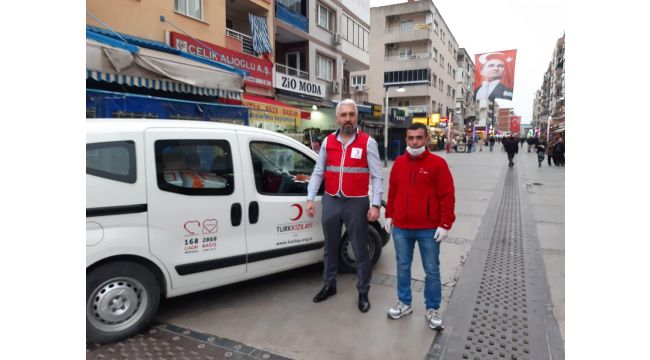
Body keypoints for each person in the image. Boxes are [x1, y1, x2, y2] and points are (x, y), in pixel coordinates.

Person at [306, 98, 383, 313]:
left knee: (359, 249)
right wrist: (310, 198)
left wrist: (375, 204)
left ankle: (363, 291)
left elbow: (377, 176)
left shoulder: (368, 142)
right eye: (343, 115)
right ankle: (329, 285)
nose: (347, 119)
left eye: (351, 114)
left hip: (356, 202)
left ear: (356, 117)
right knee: (330, 247)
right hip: (331, 199)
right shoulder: (327, 142)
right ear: (337, 118)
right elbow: (318, 172)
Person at [384, 123, 456, 330]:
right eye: (411, 138)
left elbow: (447, 195)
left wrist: (445, 224)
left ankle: (432, 308)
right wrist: (389, 214)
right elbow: (393, 191)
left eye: (418, 138)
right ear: (406, 139)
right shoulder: (398, 163)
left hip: (428, 229)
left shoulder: (438, 164)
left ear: (426, 139)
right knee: (402, 266)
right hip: (401, 228)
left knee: (432, 270)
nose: (414, 142)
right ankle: (404, 303)